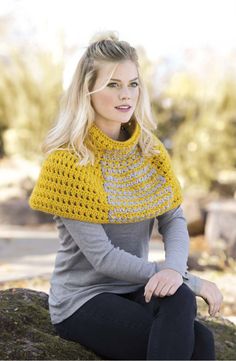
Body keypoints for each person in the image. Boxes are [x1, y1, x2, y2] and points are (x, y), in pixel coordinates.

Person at [29, 31, 223, 360]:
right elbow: (103, 257)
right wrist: (189, 280)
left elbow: (173, 218)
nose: (126, 95)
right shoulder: (67, 164)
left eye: (133, 84)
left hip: (135, 290)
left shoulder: (148, 150)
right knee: (193, 340)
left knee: (194, 324)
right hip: (83, 299)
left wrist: (176, 272)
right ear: (87, 90)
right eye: (113, 84)